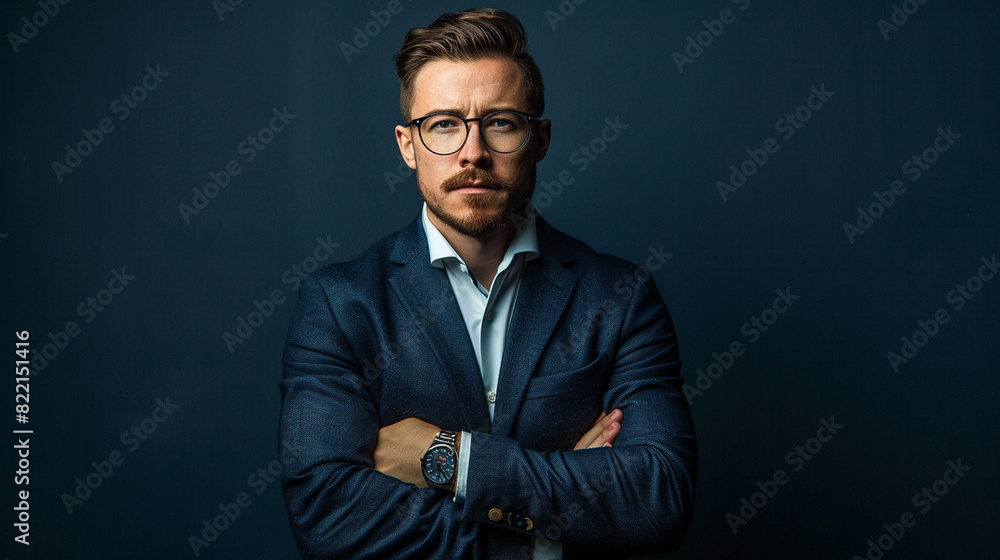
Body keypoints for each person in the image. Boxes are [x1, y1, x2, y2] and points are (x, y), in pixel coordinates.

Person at [279, 8, 696, 559]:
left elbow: (659, 500)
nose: (472, 152)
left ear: (539, 139)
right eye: (443, 125)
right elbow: (327, 515)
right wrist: (542, 537)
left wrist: (451, 458)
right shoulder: (338, 304)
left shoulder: (621, 297)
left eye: (500, 123)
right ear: (407, 145)